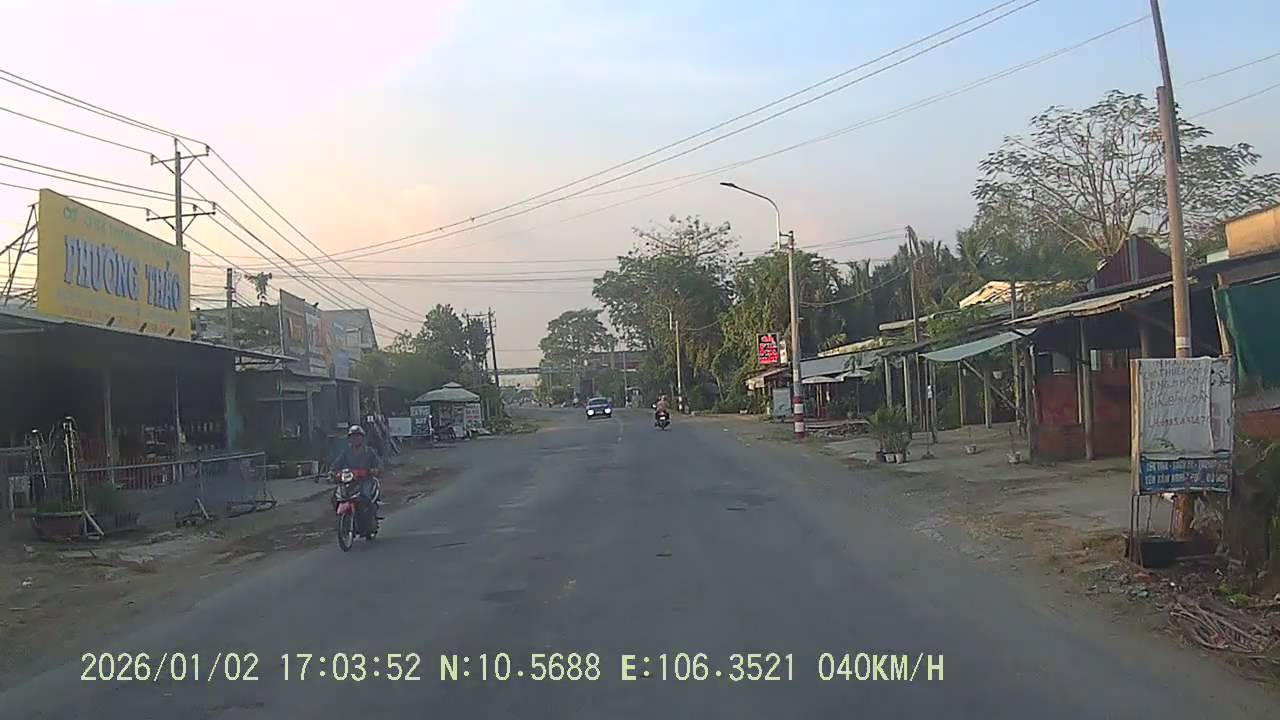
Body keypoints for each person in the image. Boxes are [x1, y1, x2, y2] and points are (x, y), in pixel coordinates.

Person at [330, 425, 382, 514]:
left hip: (365, 480)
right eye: (353, 437)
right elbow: (337, 464)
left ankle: (369, 517)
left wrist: (374, 470)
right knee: (335, 496)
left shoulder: (369, 451)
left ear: (362, 438)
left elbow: (378, 464)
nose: (355, 439)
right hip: (349, 481)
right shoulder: (346, 452)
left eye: (357, 436)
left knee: (365, 498)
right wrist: (332, 472)